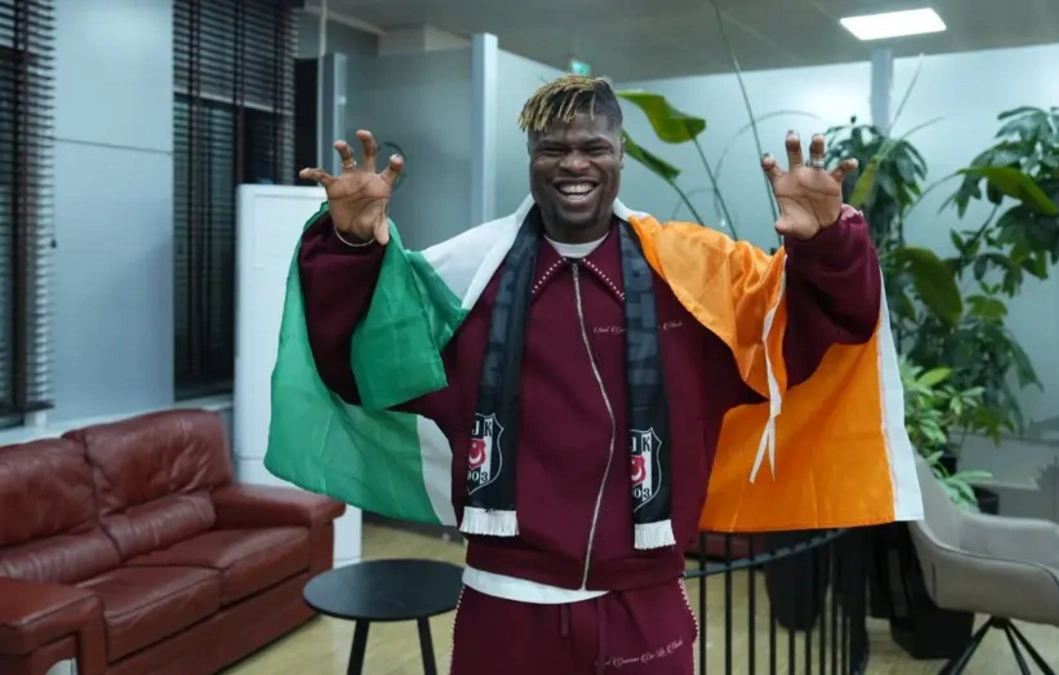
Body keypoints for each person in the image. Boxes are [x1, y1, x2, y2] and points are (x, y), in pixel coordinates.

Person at [270, 75, 921, 674]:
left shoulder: (693, 275)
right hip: (505, 609)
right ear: (531, 156)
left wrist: (826, 244)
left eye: (593, 147)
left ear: (621, 154)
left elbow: (813, 334)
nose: (574, 163)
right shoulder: (465, 279)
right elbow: (362, 365)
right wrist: (349, 246)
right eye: (553, 148)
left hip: (645, 608)